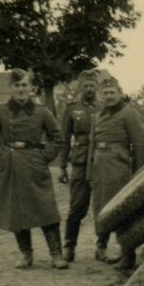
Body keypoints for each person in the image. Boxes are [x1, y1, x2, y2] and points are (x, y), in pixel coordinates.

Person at [0, 69, 67, 270]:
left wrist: (43, 157)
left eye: (24, 85)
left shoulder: (42, 112)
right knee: (17, 211)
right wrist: (2, 156)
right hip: (11, 166)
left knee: (46, 208)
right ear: (10, 88)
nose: (20, 90)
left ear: (32, 88)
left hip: (35, 165)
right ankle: (26, 254)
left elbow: (57, 138)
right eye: (17, 86)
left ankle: (56, 254)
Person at [90, 77, 144, 271]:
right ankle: (100, 247)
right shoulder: (98, 115)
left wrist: (138, 172)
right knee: (100, 207)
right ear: (100, 95)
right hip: (99, 168)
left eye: (112, 93)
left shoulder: (128, 114)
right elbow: (92, 145)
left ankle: (127, 255)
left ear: (119, 93)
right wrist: (88, 173)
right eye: (105, 93)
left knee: (120, 210)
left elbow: (142, 144)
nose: (108, 96)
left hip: (118, 167)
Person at [56, 70, 99, 263]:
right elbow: (64, 139)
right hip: (81, 162)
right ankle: (69, 246)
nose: (89, 89)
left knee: (102, 205)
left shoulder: (104, 107)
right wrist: (62, 165)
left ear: (97, 87)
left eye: (92, 86)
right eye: (86, 86)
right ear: (80, 87)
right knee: (77, 207)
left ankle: (102, 246)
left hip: (100, 161)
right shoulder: (72, 109)